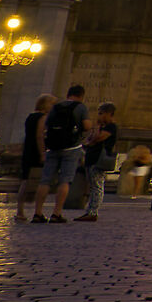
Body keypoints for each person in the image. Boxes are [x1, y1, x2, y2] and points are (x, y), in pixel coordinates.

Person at [38, 84, 89, 223]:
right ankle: (56, 213)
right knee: (65, 180)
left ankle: (38, 213)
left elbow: (46, 126)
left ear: (68, 94)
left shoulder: (56, 106)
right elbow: (86, 126)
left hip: (53, 147)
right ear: (81, 96)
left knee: (45, 180)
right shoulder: (81, 107)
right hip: (71, 148)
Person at [12, 92, 54, 223]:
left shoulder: (30, 116)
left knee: (25, 181)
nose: (53, 107)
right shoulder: (42, 117)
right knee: (41, 181)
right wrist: (43, 153)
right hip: (36, 151)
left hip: (28, 150)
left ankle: (20, 211)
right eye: (52, 104)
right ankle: (38, 212)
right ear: (45, 104)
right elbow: (39, 135)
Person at [75, 103, 118, 222]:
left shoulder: (111, 127)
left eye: (101, 113)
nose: (98, 116)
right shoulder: (102, 127)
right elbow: (89, 140)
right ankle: (89, 210)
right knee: (93, 186)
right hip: (92, 158)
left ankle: (93, 212)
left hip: (99, 159)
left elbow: (97, 138)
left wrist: (97, 129)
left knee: (97, 186)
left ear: (109, 114)